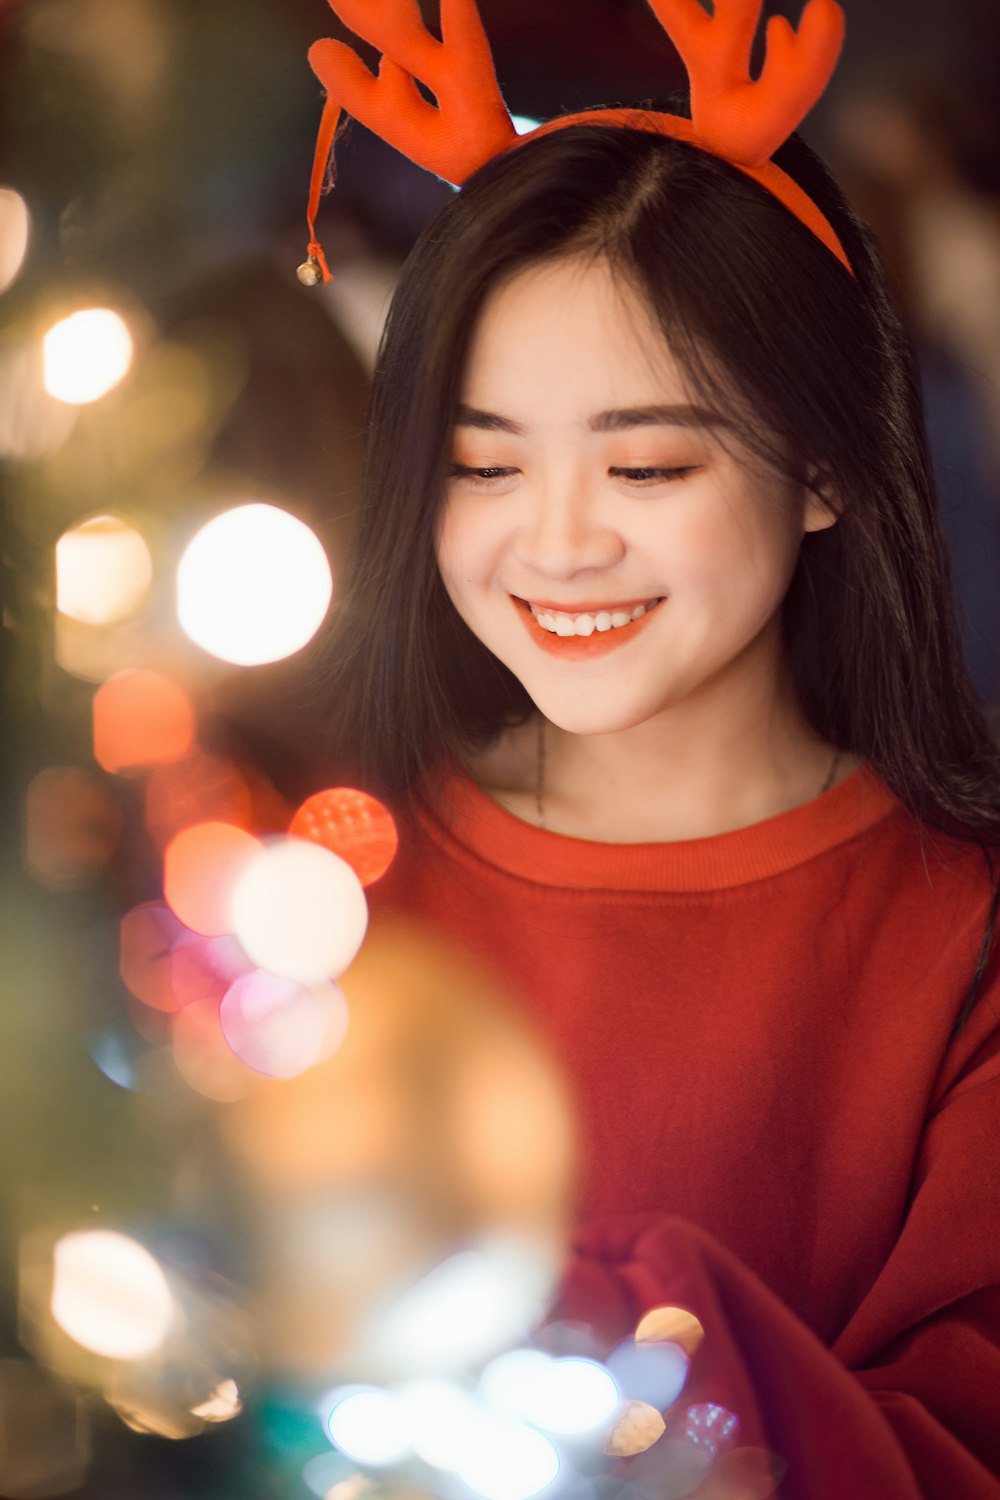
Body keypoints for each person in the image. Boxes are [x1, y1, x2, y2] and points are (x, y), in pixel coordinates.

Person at [303, 2, 1000, 1494]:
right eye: (483, 463)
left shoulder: (966, 934)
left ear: (822, 463)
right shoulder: (324, 889)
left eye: (647, 463)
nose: (556, 543)